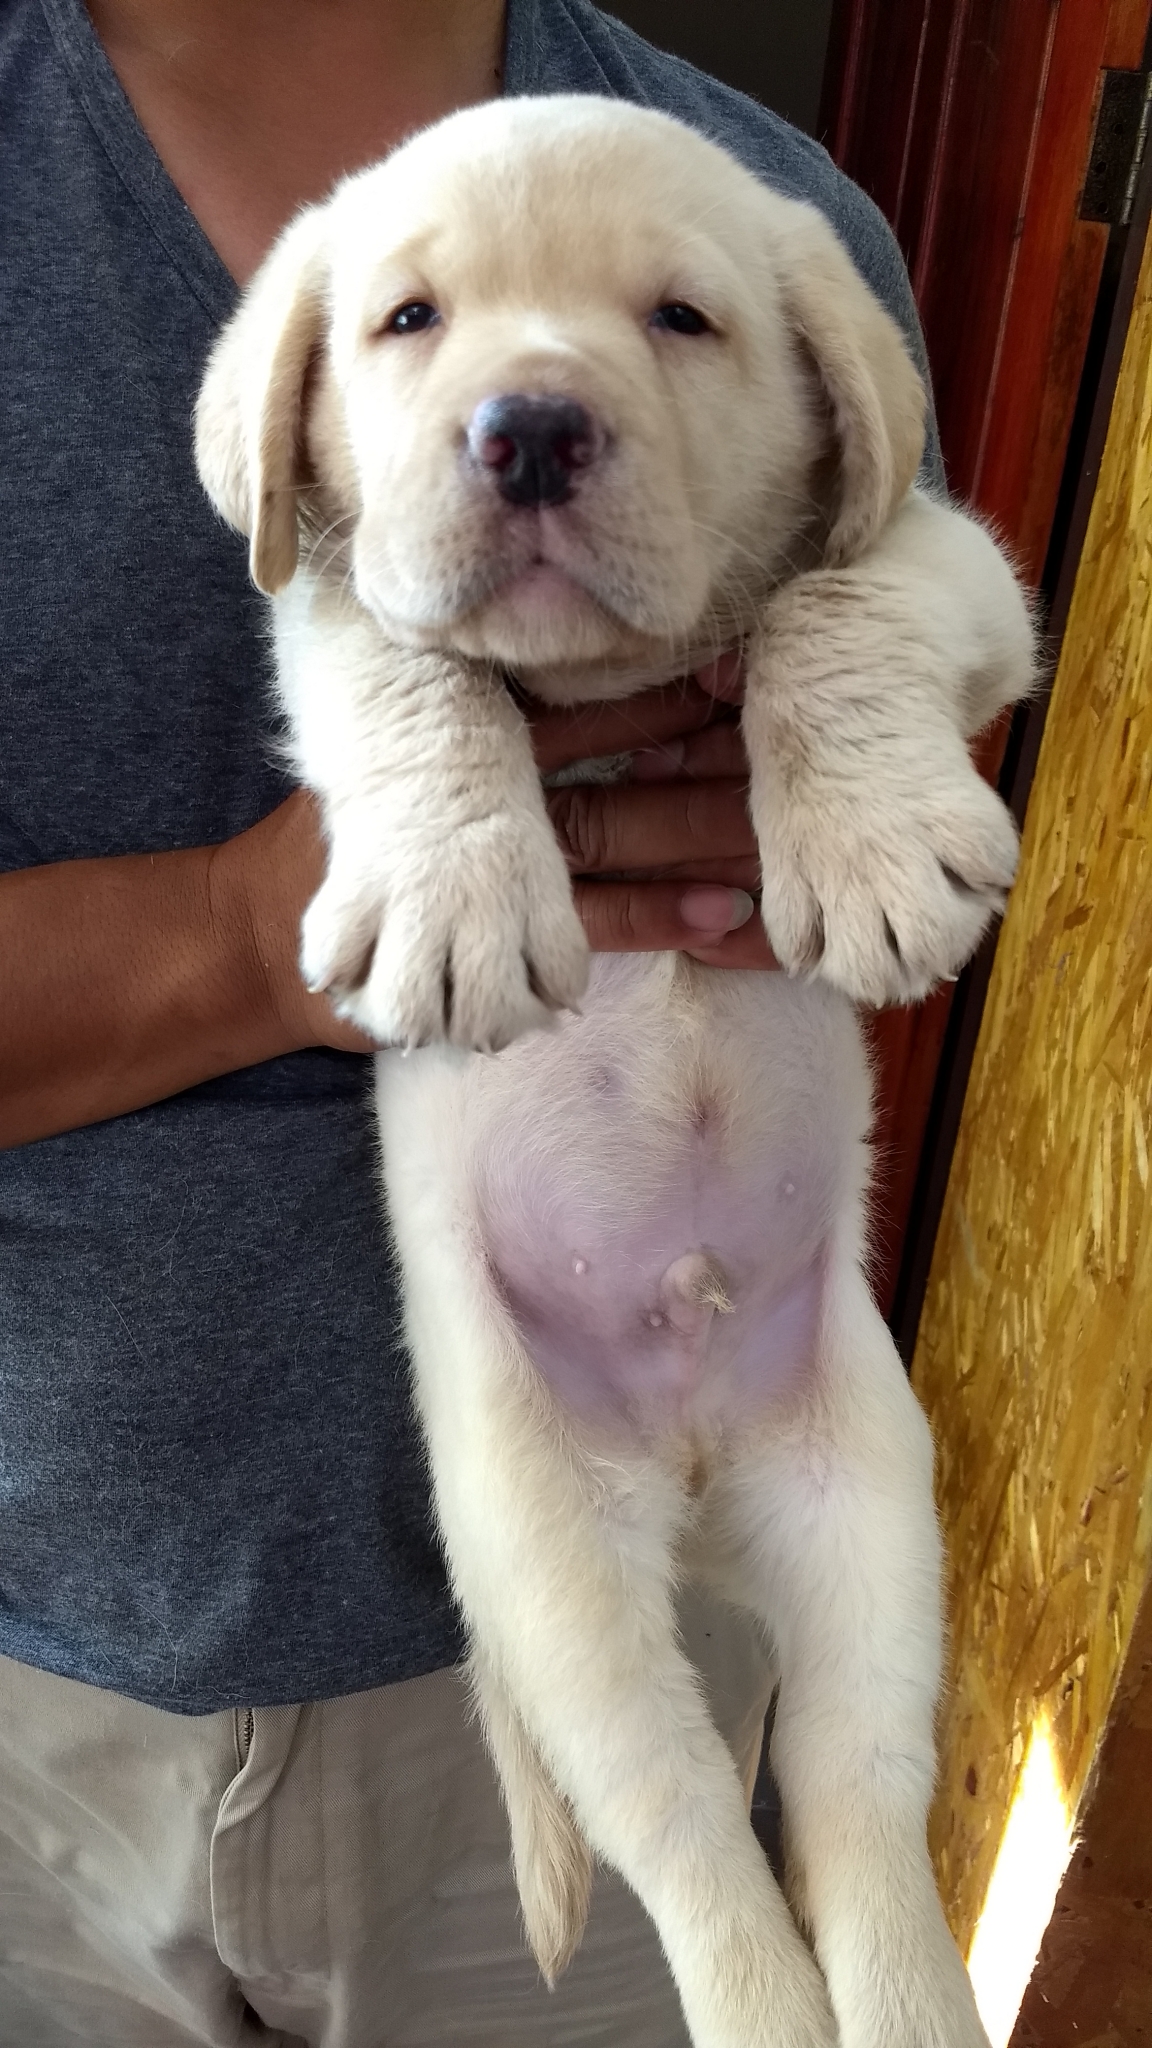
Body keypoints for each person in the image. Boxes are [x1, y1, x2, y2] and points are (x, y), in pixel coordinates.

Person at [0, 2, 941, 2041]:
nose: (529, 405)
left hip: (671, 1580)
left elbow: (909, 631)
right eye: (412, 325)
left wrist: (852, 707)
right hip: (34, 1680)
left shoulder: (775, 217)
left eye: (672, 323)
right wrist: (251, 936)